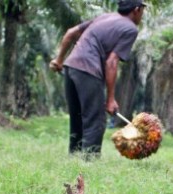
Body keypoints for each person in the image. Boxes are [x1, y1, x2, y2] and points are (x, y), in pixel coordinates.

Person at [49, 0, 147, 158]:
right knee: (95, 120)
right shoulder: (130, 29)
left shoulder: (104, 17)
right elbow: (112, 62)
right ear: (136, 10)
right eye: (142, 10)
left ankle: (73, 158)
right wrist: (110, 99)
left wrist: (59, 60)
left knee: (78, 119)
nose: (142, 15)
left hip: (71, 67)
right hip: (88, 70)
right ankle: (89, 162)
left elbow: (71, 32)